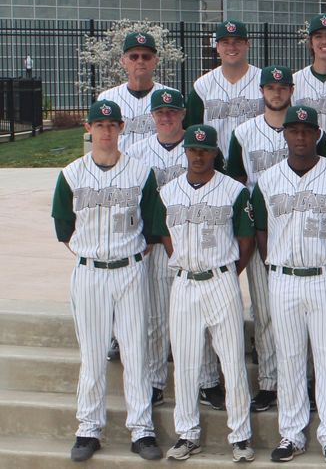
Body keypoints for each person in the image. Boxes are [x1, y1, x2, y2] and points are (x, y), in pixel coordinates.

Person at [51, 99, 162, 461]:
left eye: (112, 125)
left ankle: (142, 430)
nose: (106, 131)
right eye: (99, 125)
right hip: (89, 272)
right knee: (93, 354)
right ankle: (88, 429)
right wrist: (92, 252)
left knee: (136, 352)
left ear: (121, 128)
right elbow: (64, 228)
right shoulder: (71, 174)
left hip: (130, 270)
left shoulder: (140, 173)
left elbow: (152, 227)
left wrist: (127, 252)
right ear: (89, 128)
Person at [250, 105, 326, 463]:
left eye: (306, 130)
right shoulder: (268, 180)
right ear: (284, 134)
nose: (300, 136)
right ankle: (291, 434)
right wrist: (273, 261)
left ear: (317, 134)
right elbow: (261, 229)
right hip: (284, 278)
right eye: (293, 130)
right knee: (290, 358)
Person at [224, 65, 326, 412]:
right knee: (266, 311)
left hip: (301, 230)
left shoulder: (312, 132)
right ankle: (270, 381)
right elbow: (235, 182)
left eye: (282, 87)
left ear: (291, 90)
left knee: (307, 318)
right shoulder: (243, 133)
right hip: (263, 228)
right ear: (261, 91)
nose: (276, 92)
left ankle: (310, 381)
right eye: (270, 87)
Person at [153, 124, 256, 463]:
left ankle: (240, 436)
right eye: (193, 149)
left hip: (221, 280)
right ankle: (187, 434)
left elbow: (246, 241)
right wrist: (184, 260)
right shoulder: (168, 192)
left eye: (205, 150)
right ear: (185, 151)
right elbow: (164, 235)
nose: (198, 155)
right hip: (184, 282)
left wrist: (227, 273)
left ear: (214, 153)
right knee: (185, 363)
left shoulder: (234, 191)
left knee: (232, 361)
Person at [127, 89, 222, 409]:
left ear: (183, 114)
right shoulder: (137, 152)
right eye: (160, 112)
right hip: (156, 244)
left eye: (172, 111)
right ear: (152, 116)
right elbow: (133, 200)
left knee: (202, 315)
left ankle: (208, 381)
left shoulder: (198, 146)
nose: (166, 117)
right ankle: (155, 381)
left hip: (194, 241)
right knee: (156, 316)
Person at [183, 19, 264, 154]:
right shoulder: (202, 85)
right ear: (217, 46)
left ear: (247, 44)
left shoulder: (264, 81)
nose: (231, 48)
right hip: (214, 163)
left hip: (256, 161)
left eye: (237, 42)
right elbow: (191, 130)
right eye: (225, 42)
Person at [98, 31, 168, 151]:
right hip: (119, 162)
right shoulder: (107, 98)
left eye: (146, 56)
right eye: (134, 57)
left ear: (156, 61)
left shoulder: (169, 96)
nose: (140, 61)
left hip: (158, 162)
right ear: (123, 61)